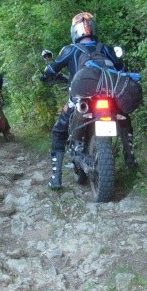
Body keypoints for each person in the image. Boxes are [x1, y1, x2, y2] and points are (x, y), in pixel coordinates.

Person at [39, 12, 137, 189]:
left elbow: (51, 70)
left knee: (59, 130)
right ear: (94, 29)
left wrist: (46, 75)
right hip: (109, 94)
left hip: (81, 98)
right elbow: (122, 68)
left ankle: (56, 178)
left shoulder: (71, 50)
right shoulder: (105, 48)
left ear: (74, 32)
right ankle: (130, 158)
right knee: (124, 117)